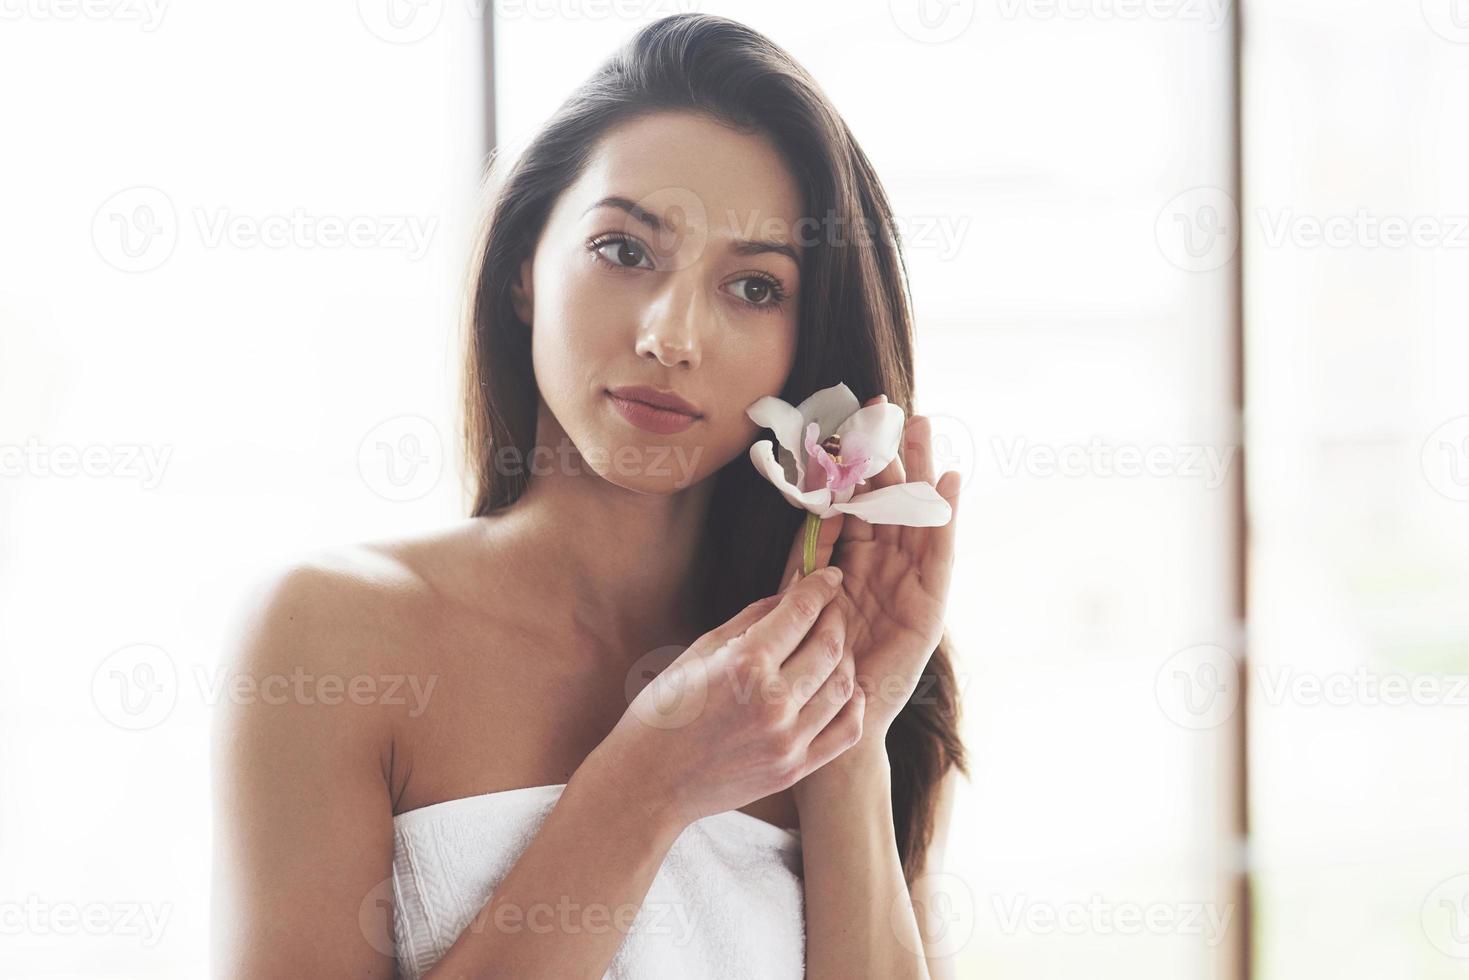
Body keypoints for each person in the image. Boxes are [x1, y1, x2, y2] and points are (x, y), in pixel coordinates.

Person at [213, 13, 967, 978]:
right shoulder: (336, 632)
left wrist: (845, 734)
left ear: (804, 343)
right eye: (625, 250)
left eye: (752, 288)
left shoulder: (815, 692)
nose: (672, 335)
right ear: (525, 264)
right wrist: (647, 783)